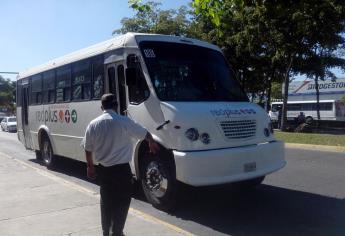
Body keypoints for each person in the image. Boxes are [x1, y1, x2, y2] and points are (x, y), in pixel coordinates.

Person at [82, 93, 159, 236]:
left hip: (104, 171)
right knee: (122, 201)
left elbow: (87, 148)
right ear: (116, 106)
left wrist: (90, 166)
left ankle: (106, 231)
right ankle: (117, 231)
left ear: (101, 107)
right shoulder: (124, 121)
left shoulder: (93, 124)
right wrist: (151, 142)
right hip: (122, 171)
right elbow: (144, 133)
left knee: (106, 201)